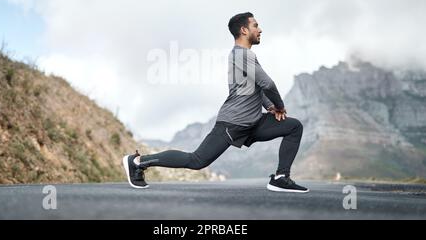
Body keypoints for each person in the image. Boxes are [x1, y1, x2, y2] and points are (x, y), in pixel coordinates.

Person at [123, 12, 309, 193]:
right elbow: (267, 83)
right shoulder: (241, 55)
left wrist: (269, 106)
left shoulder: (244, 56)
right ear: (244, 30)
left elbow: (256, 88)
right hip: (233, 123)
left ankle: (281, 178)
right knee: (196, 161)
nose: (260, 30)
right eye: (255, 26)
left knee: (293, 127)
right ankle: (138, 162)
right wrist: (280, 106)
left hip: (253, 122)